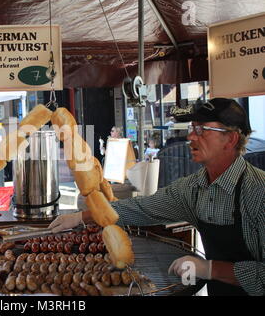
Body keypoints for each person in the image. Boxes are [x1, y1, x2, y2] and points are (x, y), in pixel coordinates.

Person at [49, 98, 264, 296]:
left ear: (231, 139)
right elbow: (141, 209)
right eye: (192, 128)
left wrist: (210, 268)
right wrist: (81, 217)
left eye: (202, 130)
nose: (191, 136)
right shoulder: (194, 188)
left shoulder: (258, 192)